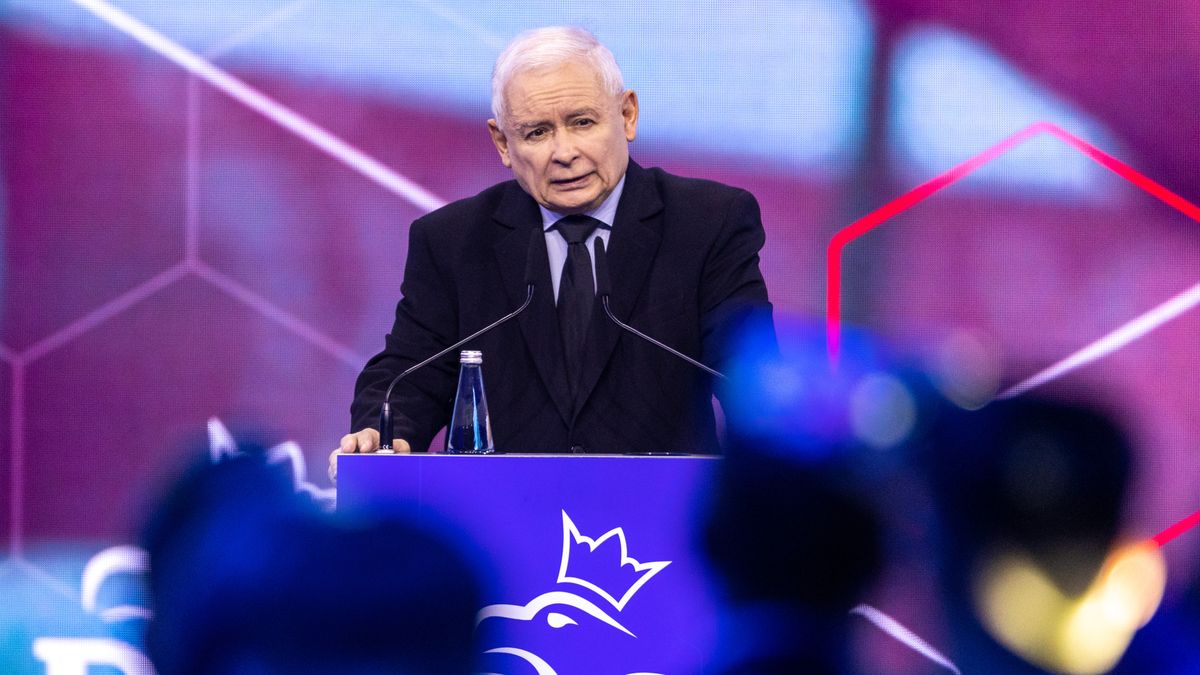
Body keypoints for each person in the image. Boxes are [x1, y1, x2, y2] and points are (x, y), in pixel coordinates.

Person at [330, 26, 771, 473]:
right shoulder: (452, 240)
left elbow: (754, 384)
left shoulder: (708, 222)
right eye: (537, 133)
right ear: (503, 143)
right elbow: (408, 376)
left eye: (582, 122)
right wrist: (381, 437)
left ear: (628, 114)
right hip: (501, 519)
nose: (564, 152)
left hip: (662, 521)